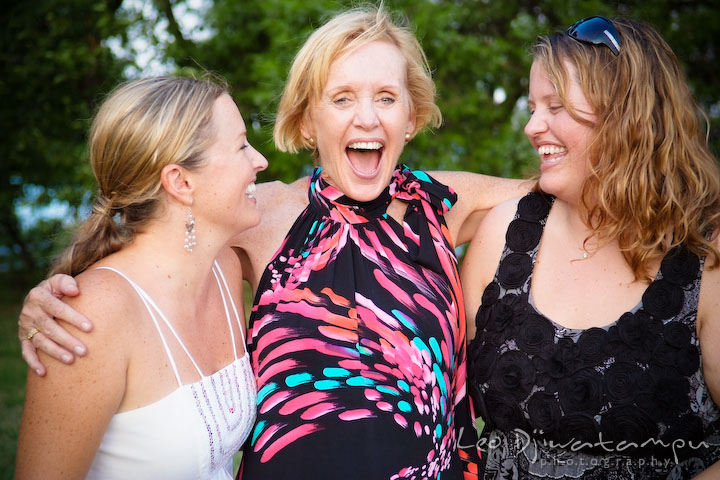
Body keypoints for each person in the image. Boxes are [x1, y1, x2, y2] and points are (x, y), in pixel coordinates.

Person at [17, 5, 529, 479]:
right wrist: (56, 298)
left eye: (388, 98)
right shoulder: (255, 214)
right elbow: (158, 235)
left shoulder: (443, 203)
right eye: (343, 98)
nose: (368, 117)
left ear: (411, 118)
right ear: (308, 121)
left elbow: (566, 190)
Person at [462, 15, 720, 478]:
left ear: (625, 114)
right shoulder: (505, 234)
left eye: (555, 106)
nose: (532, 126)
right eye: (533, 105)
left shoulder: (705, 254)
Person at [15, 76, 267, 479]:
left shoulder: (225, 267)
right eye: (241, 145)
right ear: (181, 182)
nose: (260, 161)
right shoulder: (90, 317)